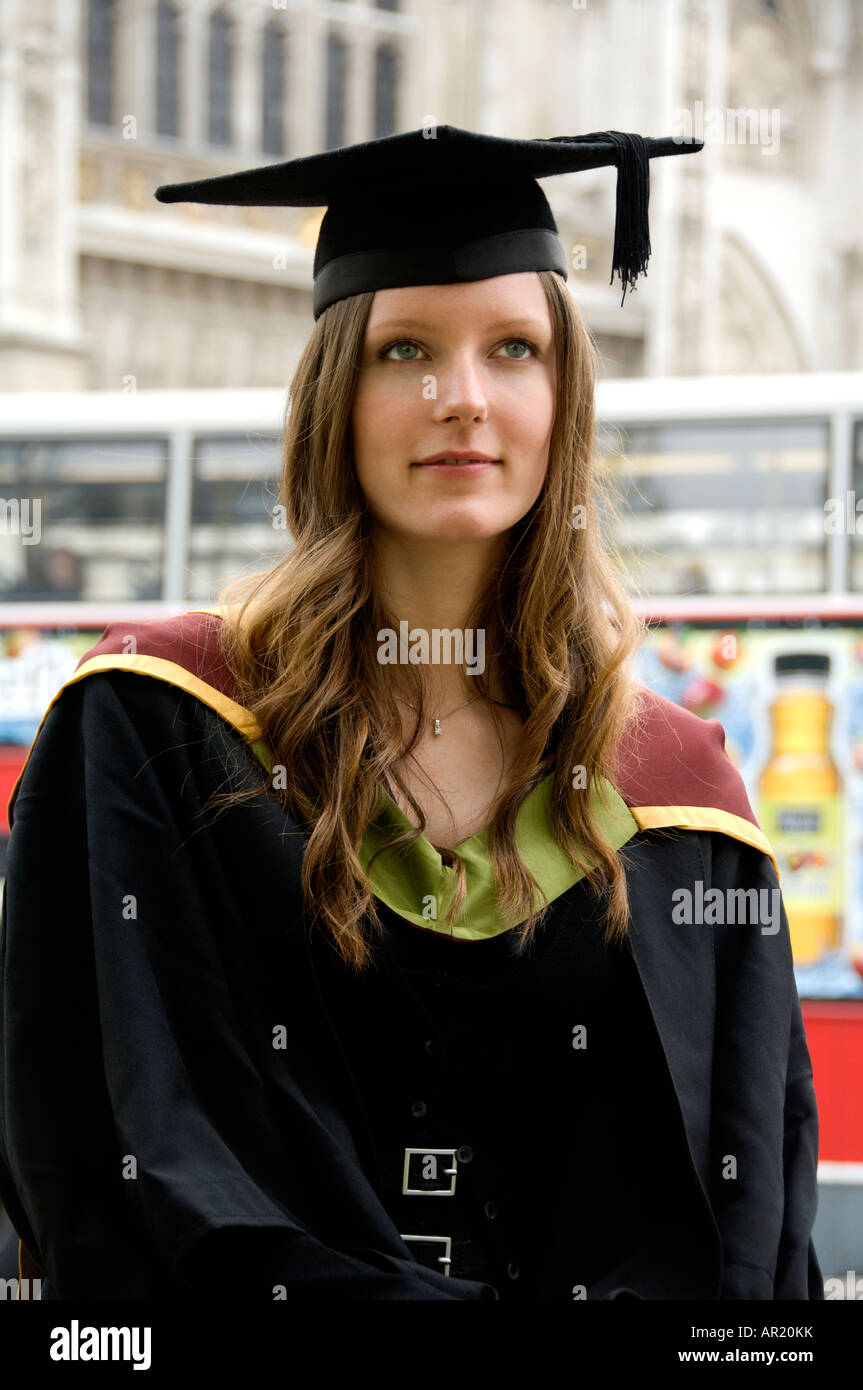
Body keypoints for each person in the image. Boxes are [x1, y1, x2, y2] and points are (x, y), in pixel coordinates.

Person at [0, 126, 821, 1301]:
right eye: (404, 351)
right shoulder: (152, 728)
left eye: (513, 349)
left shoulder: (684, 799)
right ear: (335, 390)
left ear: (563, 397)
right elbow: (117, 1165)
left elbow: (744, 1238)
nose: (462, 400)